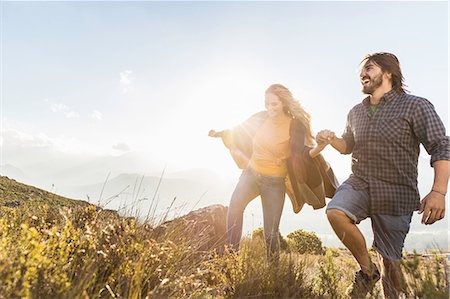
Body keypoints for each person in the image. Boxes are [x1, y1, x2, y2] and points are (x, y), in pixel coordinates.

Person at [317, 52, 450, 298]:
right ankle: (368, 272)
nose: (362, 74)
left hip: (396, 191)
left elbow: (441, 146)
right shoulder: (355, 112)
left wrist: (438, 191)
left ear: (389, 73)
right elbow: (348, 145)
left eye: (369, 68)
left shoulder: (416, 106)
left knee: (391, 263)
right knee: (335, 212)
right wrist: (331, 139)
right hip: (360, 182)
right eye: (361, 71)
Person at [209, 84, 338, 259]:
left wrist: (320, 147)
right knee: (235, 208)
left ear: (284, 103)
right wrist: (218, 134)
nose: (269, 108)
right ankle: (232, 256)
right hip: (251, 175)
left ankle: (274, 267)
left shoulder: (295, 125)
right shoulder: (261, 118)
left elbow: (301, 152)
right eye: (267, 104)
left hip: (275, 183)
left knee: (270, 232)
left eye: (274, 104)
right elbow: (238, 130)